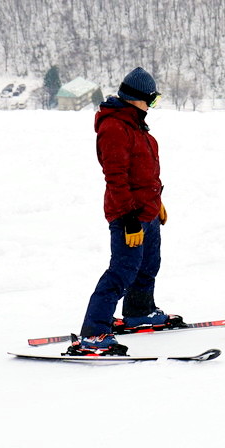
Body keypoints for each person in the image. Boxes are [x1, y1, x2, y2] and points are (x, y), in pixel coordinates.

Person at [67, 67, 178, 356]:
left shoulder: (135, 124)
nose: (152, 107)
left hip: (147, 209)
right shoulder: (114, 127)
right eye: (151, 101)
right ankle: (94, 332)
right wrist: (129, 219)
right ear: (136, 99)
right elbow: (116, 177)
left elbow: (144, 172)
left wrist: (157, 202)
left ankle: (139, 312)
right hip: (128, 214)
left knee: (148, 264)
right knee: (122, 271)